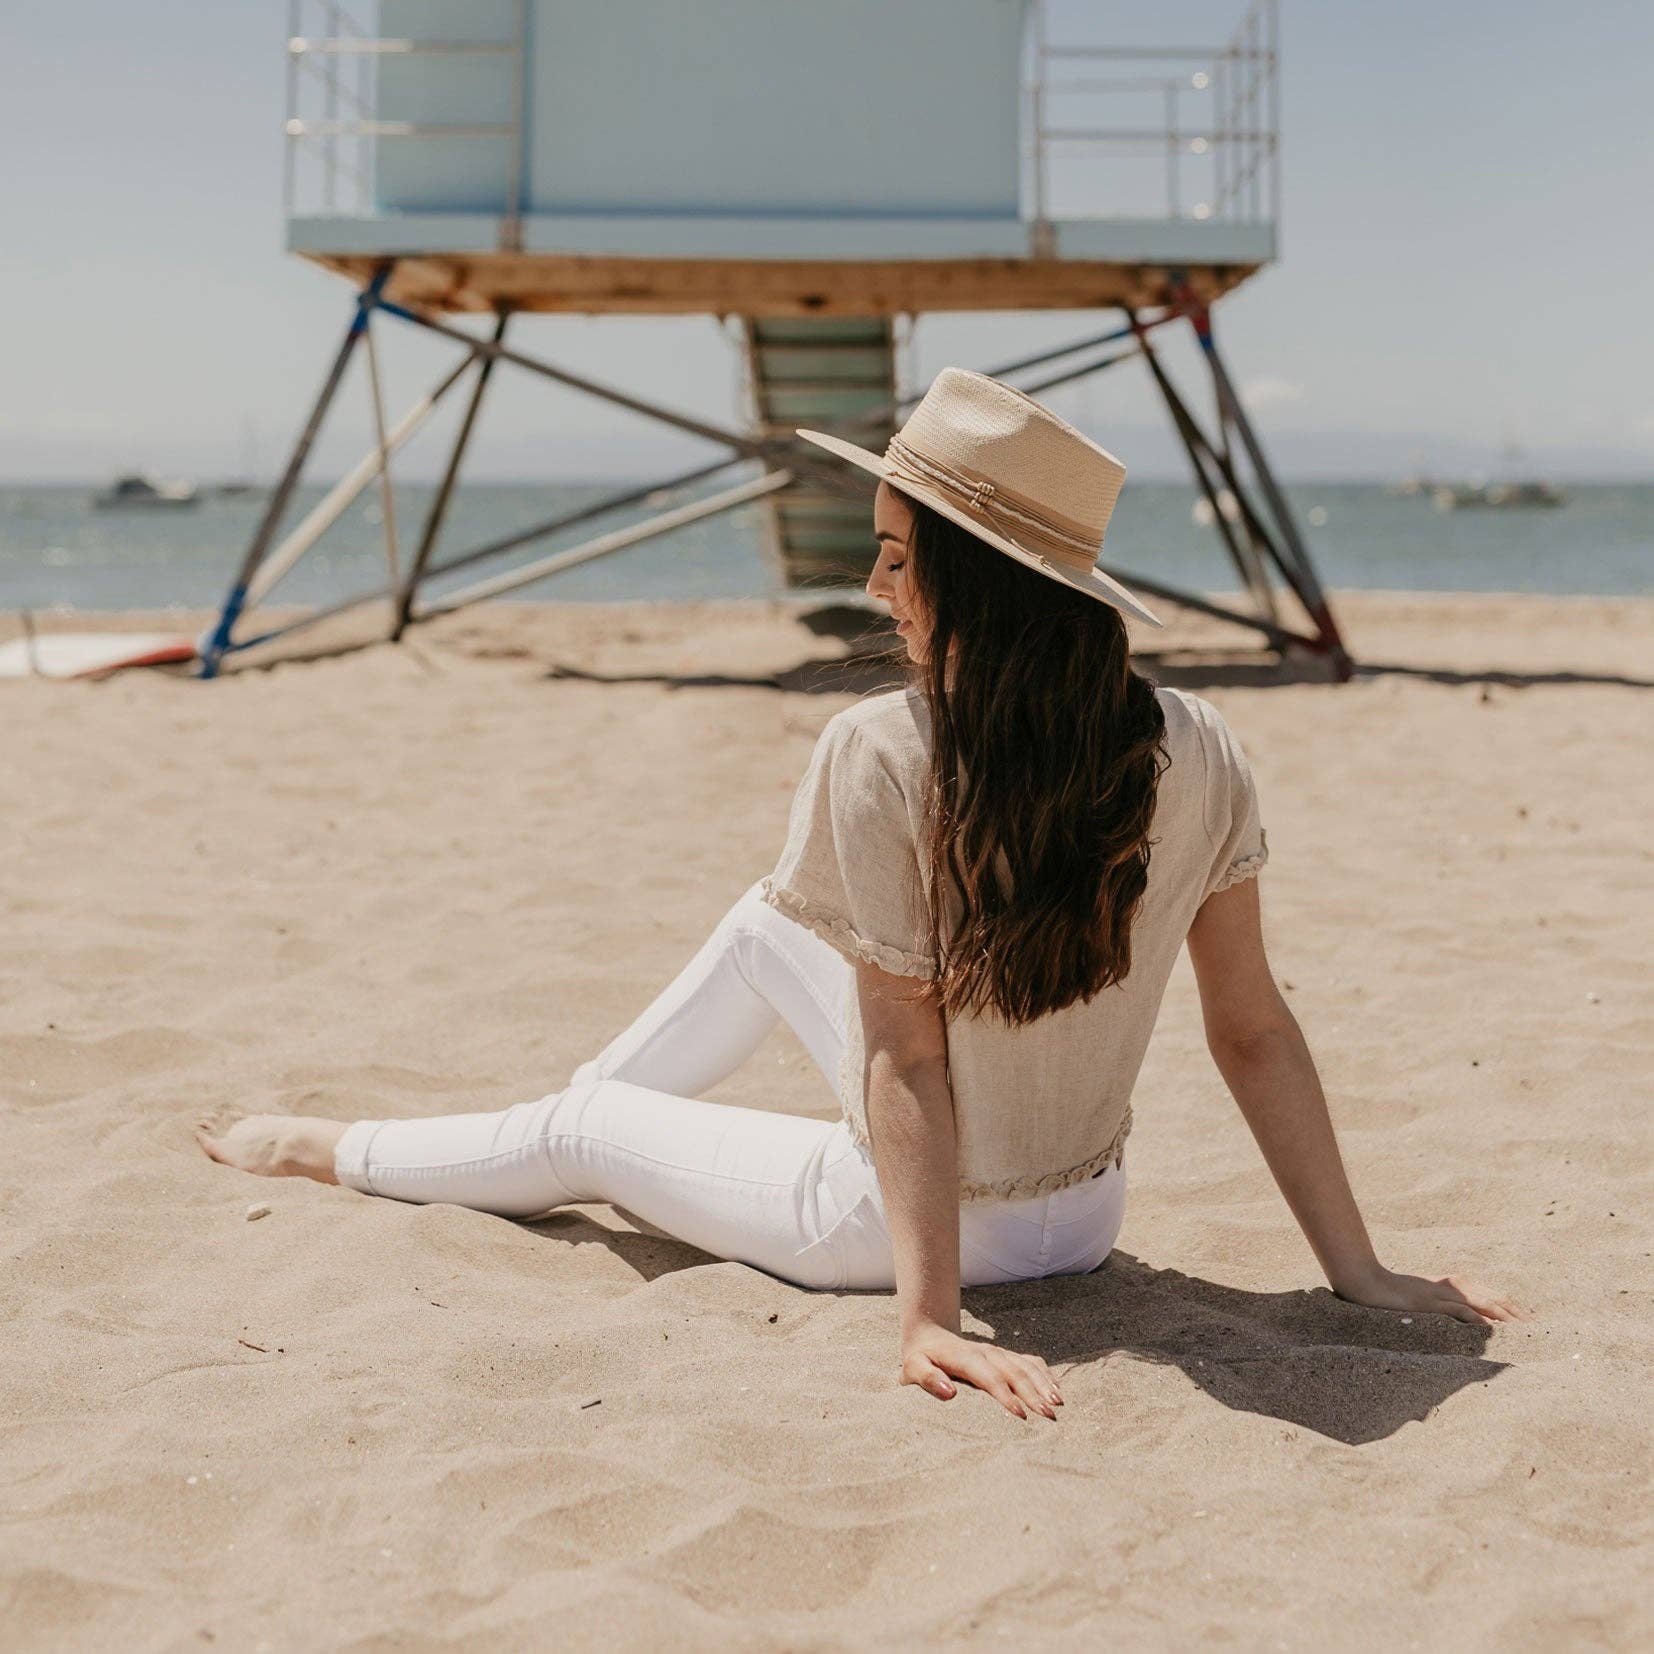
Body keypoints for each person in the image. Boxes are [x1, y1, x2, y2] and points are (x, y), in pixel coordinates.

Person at [196, 368, 1529, 1420]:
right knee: (769, 917)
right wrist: (1354, 1267)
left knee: (598, 1133)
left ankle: (346, 1147)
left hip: (904, 1227)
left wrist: (925, 1313)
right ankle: (548, 1117)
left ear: (980, 587)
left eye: (898, 558)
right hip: (1088, 1207)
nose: (875, 586)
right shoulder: (1199, 743)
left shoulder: (885, 751)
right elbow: (1252, 1026)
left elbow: (903, 1056)